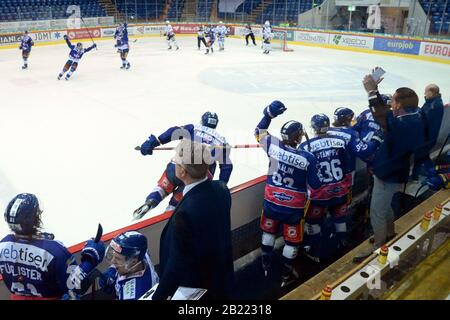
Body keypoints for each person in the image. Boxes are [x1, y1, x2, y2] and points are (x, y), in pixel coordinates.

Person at [353, 74, 426, 263]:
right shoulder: (415, 117)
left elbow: (382, 115)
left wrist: (371, 91)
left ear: (399, 105)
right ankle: (389, 233)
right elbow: (385, 114)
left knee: (377, 211)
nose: (391, 104)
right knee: (385, 207)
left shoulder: (402, 124)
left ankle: (379, 248)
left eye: (393, 100)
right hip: (396, 171)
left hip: (388, 174)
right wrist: (374, 92)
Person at [151, 140, 234, 300]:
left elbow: (176, 264)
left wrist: (159, 297)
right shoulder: (222, 190)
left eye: (175, 161)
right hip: (220, 277)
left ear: (183, 172)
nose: (173, 163)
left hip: (196, 285)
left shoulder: (185, 213)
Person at [255, 101, 322, 287]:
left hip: (271, 202)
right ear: (297, 137)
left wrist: (268, 115)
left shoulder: (272, 145)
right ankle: (286, 274)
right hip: (293, 209)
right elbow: (316, 184)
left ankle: (265, 263)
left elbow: (258, 131)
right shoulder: (307, 158)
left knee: (268, 231)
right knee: (292, 241)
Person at [0, 193, 105, 300]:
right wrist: (89, 261)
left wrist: (37, 239)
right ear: (36, 218)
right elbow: (74, 285)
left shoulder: (2, 245)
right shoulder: (54, 251)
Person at [135, 112, 233, 220]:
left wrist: (155, 142)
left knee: (163, 186)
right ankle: (169, 214)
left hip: (177, 167)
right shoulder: (222, 141)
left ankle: (151, 200)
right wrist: (221, 185)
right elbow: (227, 167)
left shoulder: (193, 128)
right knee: (178, 201)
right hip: (196, 177)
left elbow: (173, 131)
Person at [299, 114, 352, 262]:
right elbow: (347, 166)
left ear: (313, 127)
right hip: (340, 190)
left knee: (313, 223)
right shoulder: (340, 141)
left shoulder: (305, 147)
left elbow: (304, 173)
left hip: (319, 196)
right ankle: (343, 243)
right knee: (340, 218)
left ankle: (315, 251)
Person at [99, 231, 159, 300]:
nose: (113, 261)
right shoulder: (139, 253)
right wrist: (112, 270)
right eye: (113, 255)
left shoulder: (134, 295)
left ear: (133, 261)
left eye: (117, 259)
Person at [411, 84, 444, 180]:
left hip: (426, 138)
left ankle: (431, 174)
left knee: (422, 156)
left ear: (432, 92)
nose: (424, 93)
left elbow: (423, 120)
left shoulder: (434, 105)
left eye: (426, 91)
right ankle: (416, 175)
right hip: (426, 137)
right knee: (421, 156)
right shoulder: (432, 102)